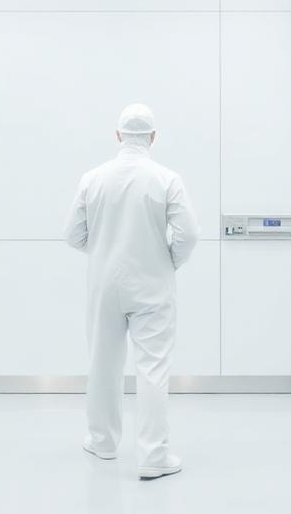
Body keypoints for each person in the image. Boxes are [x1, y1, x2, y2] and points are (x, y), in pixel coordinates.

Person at [64, 103, 199, 481]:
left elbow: (72, 233)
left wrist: (104, 246)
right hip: (153, 285)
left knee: (102, 363)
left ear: (117, 135)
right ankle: (153, 455)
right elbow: (190, 233)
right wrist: (169, 259)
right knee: (153, 368)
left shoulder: (93, 178)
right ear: (153, 137)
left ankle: (103, 442)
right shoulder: (167, 179)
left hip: (104, 283)